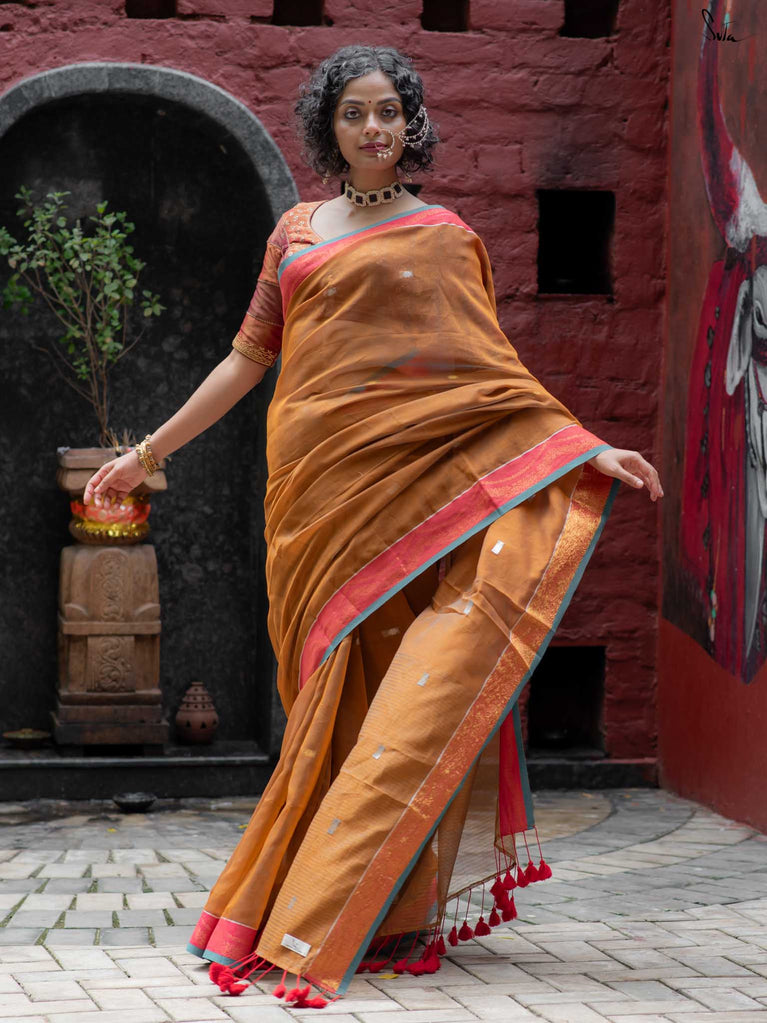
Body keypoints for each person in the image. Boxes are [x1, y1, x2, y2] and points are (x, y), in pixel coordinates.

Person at [84, 44, 663, 1006]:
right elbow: (246, 360)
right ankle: (335, 898)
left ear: (411, 123)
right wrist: (148, 452)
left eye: (388, 110)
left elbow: (488, 376)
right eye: (353, 112)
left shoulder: (443, 237)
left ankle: (359, 911)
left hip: (410, 495)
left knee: (403, 695)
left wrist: (580, 448)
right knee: (321, 700)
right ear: (329, 126)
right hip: (311, 498)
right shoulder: (294, 232)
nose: (372, 128)